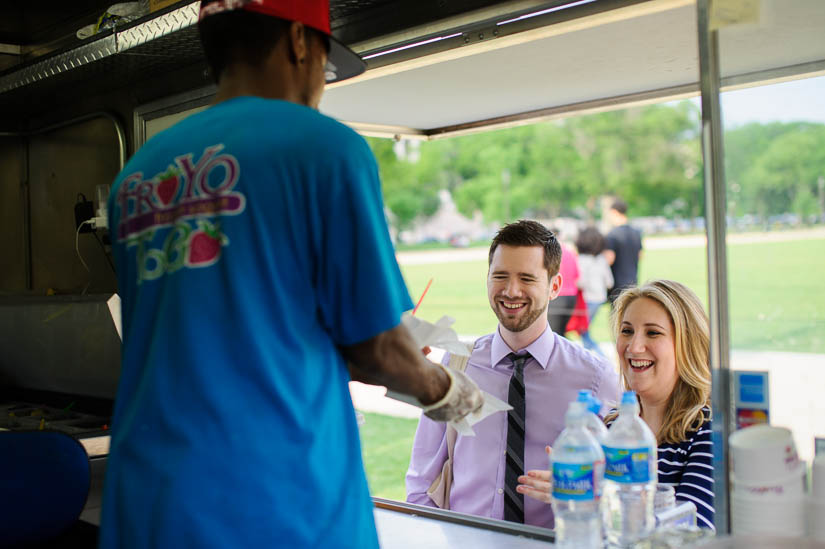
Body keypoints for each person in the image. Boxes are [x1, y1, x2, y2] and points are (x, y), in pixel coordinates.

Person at [98, 2, 483, 548]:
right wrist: (445, 390)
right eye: (325, 66)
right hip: (273, 501)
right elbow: (376, 347)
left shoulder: (135, 178)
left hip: (146, 502)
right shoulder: (323, 148)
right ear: (301, 43)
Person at [405, 220, 620, 529]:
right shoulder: (457, 364)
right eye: (500, 276)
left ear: (555, 286)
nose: (511, 290)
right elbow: (421, 479)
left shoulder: (595, 377)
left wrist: (581, 485)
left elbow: (615, 482)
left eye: (526, 278)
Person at [517, 279, 715, 530]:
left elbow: (691, 533)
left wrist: (593, 497)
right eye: (627, 331)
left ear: (687, 344)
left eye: (653, 332)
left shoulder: (707, 432)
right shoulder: (610, 426)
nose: (634, 346)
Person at [575, 226, 614, 356]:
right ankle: (590, 356)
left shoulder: (581, 260)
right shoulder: (601, 260)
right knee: (583, 330)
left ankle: (599, 356)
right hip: (599, 299)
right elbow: (609, 282)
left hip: (587, 299)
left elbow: (581, 282)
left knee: (582, 330)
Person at [604, 198, 642, 303]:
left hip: (617, 285)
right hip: (633, 281)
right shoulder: (636, 233)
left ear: (614, 212)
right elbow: (640, 255)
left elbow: (610, 258)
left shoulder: (612, 234)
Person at [546, 228, 580, 335]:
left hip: (556, 297)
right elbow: (577, 275)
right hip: (571, 298)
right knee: (561, 332)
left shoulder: (549, 253)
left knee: (553, 334)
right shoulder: (570, 252)